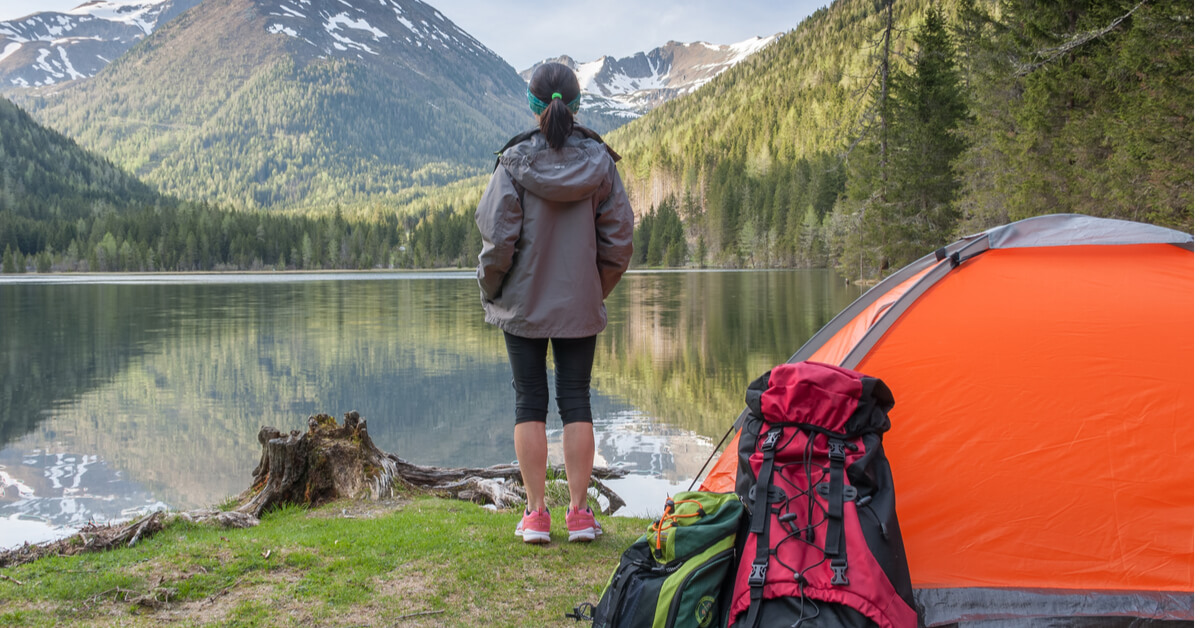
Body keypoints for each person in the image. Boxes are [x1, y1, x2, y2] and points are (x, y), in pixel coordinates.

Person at [475, 62, 634, 544]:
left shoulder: (514, 162)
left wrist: (492, 287)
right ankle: (581, 515)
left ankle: (536, 515)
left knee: (529, 401)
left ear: (533, 105)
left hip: (522, 305)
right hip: (579, 304)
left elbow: (497, 240)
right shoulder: (601, 163)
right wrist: (592, 288)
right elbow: (619, 242)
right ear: (576, 104)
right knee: (576, 399)